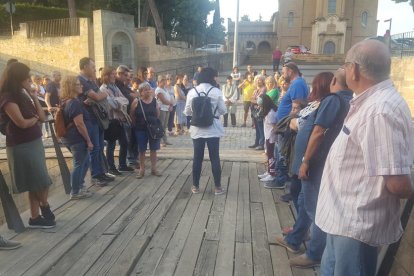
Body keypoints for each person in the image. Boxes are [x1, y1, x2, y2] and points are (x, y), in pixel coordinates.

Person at [316, 40, 414, 275]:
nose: (345, 69)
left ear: (355, 69)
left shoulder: (379, 111)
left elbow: (398, 183)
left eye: (346, 64)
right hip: (342, 220)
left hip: (356, 228)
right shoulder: (372, 103)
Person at [276, 71, 353, 269]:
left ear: (334, 81)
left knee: (314, 209)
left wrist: (306, 161)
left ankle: (315, 253)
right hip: (320, 162)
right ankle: (295, 239)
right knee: (304, 201)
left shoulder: (333, 100)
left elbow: (318, 132)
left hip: (315, 164)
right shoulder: (344, 100)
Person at [0, 62, 55, 228]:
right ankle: (44, 207)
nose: (29, 79)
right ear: (19, 78)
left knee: (37, 182)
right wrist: (35, 119)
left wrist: (32, 96)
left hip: (34, 142)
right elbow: (22, 123)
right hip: (21, 145)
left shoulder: (22, 95)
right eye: (26, 77)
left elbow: (43, 118)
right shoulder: (8, 98)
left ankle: (35, 217)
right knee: (40, 180)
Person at [184, 67, 227, 195]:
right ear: (211, 77)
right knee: (215, 158)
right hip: (213, 128)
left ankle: (195, 186)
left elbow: (187, 111)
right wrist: (213, 113)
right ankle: (218, 187)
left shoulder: (192, 92)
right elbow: (223, 110)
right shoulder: (216, 91)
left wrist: (198, 114)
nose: (216, 78)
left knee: (197, 158)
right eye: (215, 76)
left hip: (197, 129)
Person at [267, 62, 308, 189]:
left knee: (283, 152)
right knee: (280, 151)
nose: (283, 74)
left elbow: (297, 107)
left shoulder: (298, 84)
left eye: (284, 72)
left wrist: (287, 121)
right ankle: (280, 177)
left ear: (290, 71)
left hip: (288, 125)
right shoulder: (295, 84)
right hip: (285, 124)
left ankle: (281, 180)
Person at [78, 57, 113, 186]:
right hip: (89, 118)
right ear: (85, 67)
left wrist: (101, 95)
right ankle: (96, 175)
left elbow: (98, 95)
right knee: (95, 148)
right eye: (92, 67)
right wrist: (105, 94)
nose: (94, 69)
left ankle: (101, 173)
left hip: (96, 117)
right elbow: (98, 96)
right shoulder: (82, 80)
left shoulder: (90, 81)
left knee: (99, 147)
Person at [60, 75, 94, 199]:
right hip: (77, 139)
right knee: (80, 163)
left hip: (72, 138)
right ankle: (75, 191)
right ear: (71, 87)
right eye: (78, 84)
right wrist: (88, 140)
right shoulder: (74, 103)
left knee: (85, 162)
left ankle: (79, 186)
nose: (81, 86)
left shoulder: (68, 101)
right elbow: (79, 124)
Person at [101, 66, 133, 175]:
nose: (114, 76)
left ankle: (122, 165)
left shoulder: (114, 87)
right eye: (112, 74)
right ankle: (111, 167)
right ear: (106, 76)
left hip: (119, 119)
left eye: (115, 74)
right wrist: (118, 101)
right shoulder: (103, 89)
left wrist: (117, 100)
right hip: (111, 120)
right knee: (111, 144)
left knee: (124, 142)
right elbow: (113, 105)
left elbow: (125, 100)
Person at [130, 83, 162, 179]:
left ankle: (154, 168)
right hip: (140, 128)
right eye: (145, 90)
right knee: (142, 149)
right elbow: (132, 114)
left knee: (153, 149)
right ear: (140, 92)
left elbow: (157, 114)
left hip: (152, 129)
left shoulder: (154, 101)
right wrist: (137, 124)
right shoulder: (136, 101)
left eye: (148, 89)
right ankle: (142, 169)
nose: (147, 91)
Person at [115, 65, 139, 169]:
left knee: (130, 140)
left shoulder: (123, 86)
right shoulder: (116, 85)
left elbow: (133, 95)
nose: (127, 78)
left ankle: (128, 161)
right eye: (126, 75)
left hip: (128, 116)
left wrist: (133, 95)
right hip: (122, 116)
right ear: (119, 74)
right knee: (126, 141)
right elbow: (126, 98)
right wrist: (132, 96)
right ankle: (129, 161)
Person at [259, 95, 278, 182]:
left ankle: (272, 173)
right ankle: (269, 171)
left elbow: (275, 127)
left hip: (271, 136)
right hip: (267, 135)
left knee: (271, 155)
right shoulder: (267, 111)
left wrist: (273, 138)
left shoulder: (271, 113)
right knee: (268, 154)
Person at [155, 75, 174, 146]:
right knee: (160, 125)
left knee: (164, 126)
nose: (164, 82)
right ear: (159, 82)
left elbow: (168, 99)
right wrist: (171, 103)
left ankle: (165, 140)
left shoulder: (165, 89)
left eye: (164, 80)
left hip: (166, 109)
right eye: (162, 80)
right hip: (161, 109)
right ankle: (160, 141)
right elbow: (163, 101)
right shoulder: (158, 90)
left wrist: (171, 105)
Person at [249, 75, 266, 150]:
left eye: (260, 80)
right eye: (257, 80)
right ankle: (257, 142)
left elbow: (260, 101)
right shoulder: (256, 89)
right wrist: (254, 100)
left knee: (261, 128)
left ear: (263, 81)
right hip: (254, 111)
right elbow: (252, 99)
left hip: (260, 111)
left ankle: (261, 144)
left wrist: (254, 100)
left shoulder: (264, 89)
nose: (258, 81)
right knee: (257, 128)